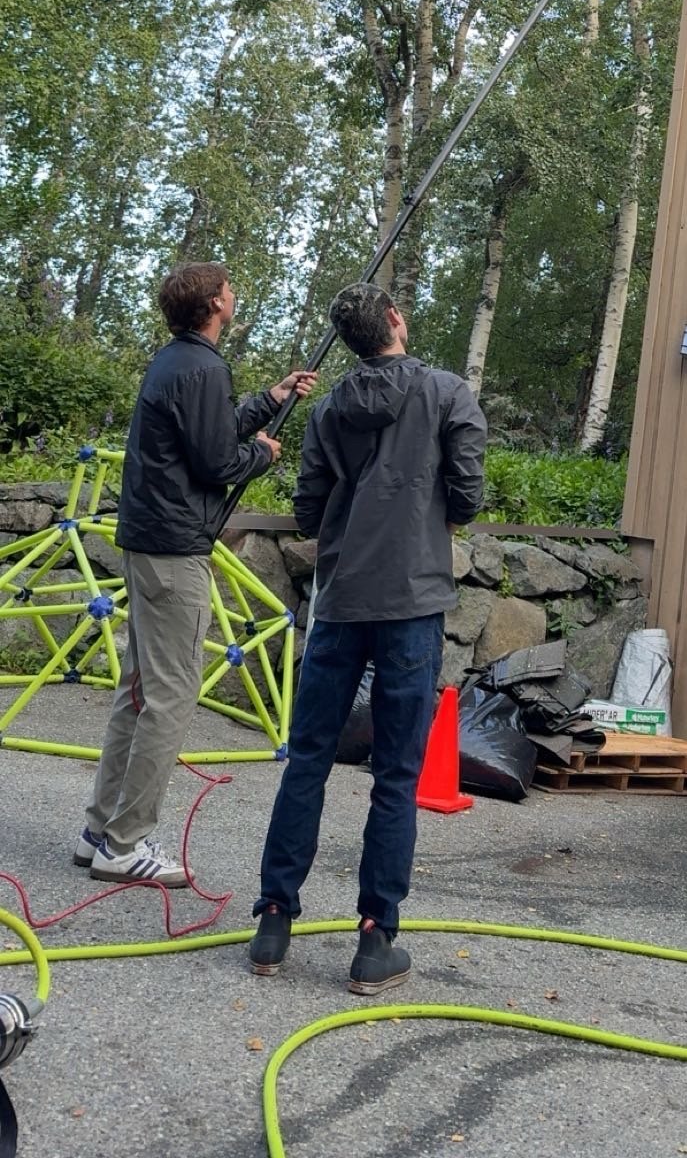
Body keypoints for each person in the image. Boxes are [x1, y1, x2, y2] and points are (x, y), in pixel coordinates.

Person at [249, 283, 486, 995]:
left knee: (308, 760)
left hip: (343, 598)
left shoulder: (326, 410)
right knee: (397, 774)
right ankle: (375, 937)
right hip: (411, 600)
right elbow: (468, 499)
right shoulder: (449, 394)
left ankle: (273, 922)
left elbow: (312, 508)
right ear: (394, 321)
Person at [77, 263, 317, 885]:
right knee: (170, 697)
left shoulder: (176, 362)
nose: (235, 294)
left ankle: (99, 831)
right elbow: (217, 462)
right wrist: (261, 455)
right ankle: (125, 844)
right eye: (230, 288)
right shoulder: (203, 366)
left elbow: (205, 432)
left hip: (148, 542)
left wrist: (271, 399)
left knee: (138, 691)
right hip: (175, 549)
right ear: (214, 303)